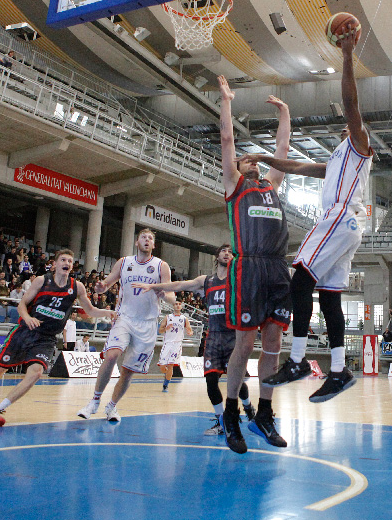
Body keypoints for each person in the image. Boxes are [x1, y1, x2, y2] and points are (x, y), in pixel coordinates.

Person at [242, 26, 371, 403]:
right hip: (347, 223)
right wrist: (265, 157)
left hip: (341, 217)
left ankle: (297, 359)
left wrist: (347, 55)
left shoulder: (359, 144)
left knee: (300, 279)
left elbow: (351, 103)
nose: (348, 121)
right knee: (329, 299)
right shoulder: (337, 158)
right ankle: (338, 370)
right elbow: (297, 167)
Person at [215, 74, 292, 454]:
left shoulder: (272, 186)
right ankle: (231, 413)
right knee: (244, 344)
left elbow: (282, 147)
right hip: (248, 269)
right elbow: (228, 141)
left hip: (277, 269)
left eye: (254, 160)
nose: (252, 162)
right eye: (246, 159)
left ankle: (264, 412)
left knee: (274, 343)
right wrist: (226, 101)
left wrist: (286, 113)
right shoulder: (235, 186)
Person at [0, 249, 114, 426]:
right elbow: (22, 305)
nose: (67, 263)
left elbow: (90, 310)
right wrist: (27, 317)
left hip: (46, 339)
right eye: (63, 259)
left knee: (36, 373)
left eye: (70, 261)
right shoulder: (42, 281)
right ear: (55, 264)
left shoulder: (76, 287)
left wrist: (108, 312)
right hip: (25, 332)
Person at [142, 244, 259, 435]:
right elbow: (179, 285)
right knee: (211, 380)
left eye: (231, 251)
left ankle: (247, 407)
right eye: (224, 250)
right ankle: (222, 422)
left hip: (233, 336)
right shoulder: (206, 281)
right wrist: (155, 286)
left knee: (235, 380)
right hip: (213, 336)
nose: (227, 253)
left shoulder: (239, 280)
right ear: (217, 255)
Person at [76, 228, 173, 424]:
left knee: (128, 371)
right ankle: (94, 401)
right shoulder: (124, 262)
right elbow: (107, 282)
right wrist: (101, 287)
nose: (147, 240)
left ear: (154, 245)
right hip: (125, 318)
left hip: (147, 324)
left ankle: (111, 406)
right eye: (143, 237)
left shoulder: (161, 266)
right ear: (137, 242)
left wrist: (164, 295)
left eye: (150, 239)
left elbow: (171, 294)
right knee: (112, 355)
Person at [157, 301, 193, 392]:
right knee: (162, 366)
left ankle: (166, 385)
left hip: (177, 345)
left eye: (179, 304)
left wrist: (190, 332)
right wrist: (166, 328)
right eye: (176, 304)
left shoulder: (184, 318)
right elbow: (160, 330)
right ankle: (167, 375)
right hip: (167, 343)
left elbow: (190, 330)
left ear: (181, 306)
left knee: (170, 365)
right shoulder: (168, 317)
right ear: (173, 306)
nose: (177, 305)